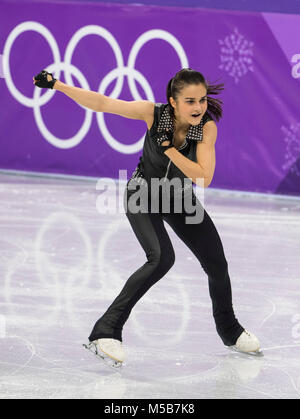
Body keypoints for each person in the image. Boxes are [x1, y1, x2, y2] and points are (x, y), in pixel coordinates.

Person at [33, 68, 262, 367]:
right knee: (161, 258)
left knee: (216, 262)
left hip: (179, 197)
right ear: (173, 102)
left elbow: (204, 178)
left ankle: (229, 329)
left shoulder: (206, 128)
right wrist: (58, 85)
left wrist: (170, 150)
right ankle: (106, 330)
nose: (198, 107)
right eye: (190, 101)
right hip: (143, 192)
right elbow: (102, 103)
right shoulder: (153, 113)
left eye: (202, 100)